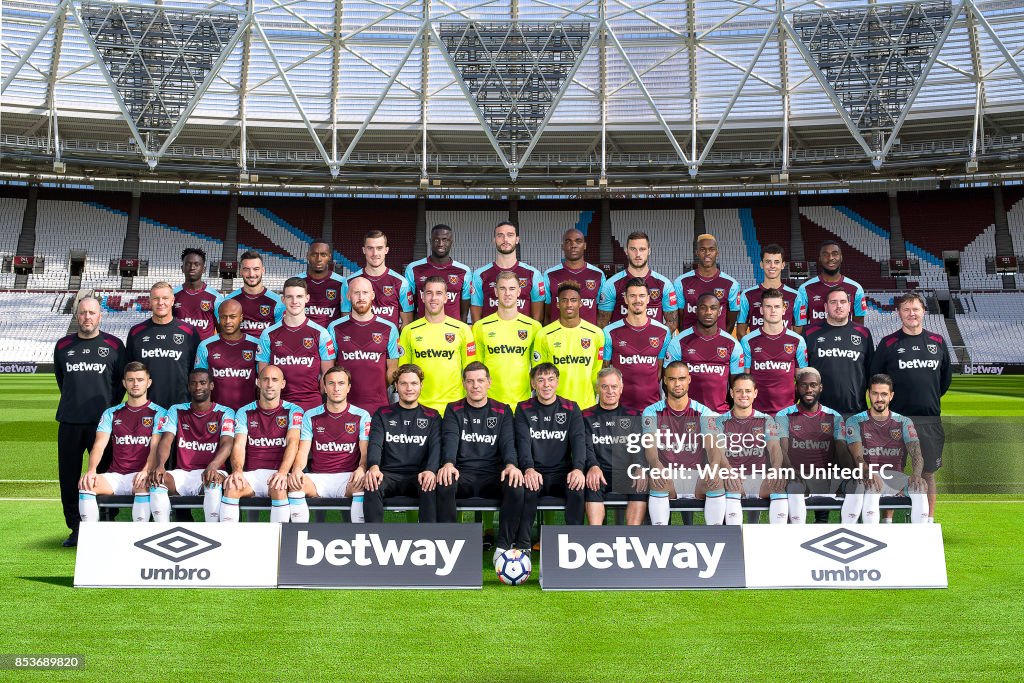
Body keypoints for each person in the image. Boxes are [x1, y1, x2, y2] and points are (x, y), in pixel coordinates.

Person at [869, 292, 952, 522]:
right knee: (892, 472)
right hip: (894, 420)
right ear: (899, 314)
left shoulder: (937, 342)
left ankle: (927, 519)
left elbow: (944, 380)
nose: (911, 314)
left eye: (915, 309)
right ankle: (887, 519)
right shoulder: (888, 343)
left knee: (927, 473)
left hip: (928, 420)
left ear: (923, 311)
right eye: (906, 310)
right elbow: (875, 378)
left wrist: (928, 399)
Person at [53, 294, 126, 546]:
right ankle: (76, 527)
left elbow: (120, 385)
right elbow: (62, 380)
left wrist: (107, 410)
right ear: (77, 315)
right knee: (69, 477)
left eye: (91, 313)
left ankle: (107, 520)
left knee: (105, 474)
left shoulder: (115, 346)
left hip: (103, 425)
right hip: (70, 422)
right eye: (82, 313)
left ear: (100, 316)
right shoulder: (62, 346)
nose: (87, 317)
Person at [437, 362, 526, 560]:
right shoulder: (453, 409)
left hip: (493, 475)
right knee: (444, 481)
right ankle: (449, 546)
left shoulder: (503, 410)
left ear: (489, 383)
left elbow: (508, 443)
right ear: (464, 384)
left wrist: (511, 465)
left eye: (480, 381)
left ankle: (503, 547)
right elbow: (450, 439)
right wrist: (448, 464)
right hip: (463, 474)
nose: (475, 386)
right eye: (470, 381)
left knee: (516, 484)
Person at [77, 362, 164, 524]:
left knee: (143, 484)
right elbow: (99, 445)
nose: (135, 384)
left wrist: (146, 470)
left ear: (148, 382)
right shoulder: (111, 413)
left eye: (140, 379)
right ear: (124, 383)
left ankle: (141, 538)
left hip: (141, 474)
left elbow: (156, 446)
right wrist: (91, 470)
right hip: (116, 476)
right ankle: (91, 540)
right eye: (130, 380)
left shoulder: (159, 412)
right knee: (86, 485)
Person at [643, 362, 726, 526]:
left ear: (689, 379)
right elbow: (650, 447)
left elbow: (712, 447)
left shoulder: (703, 412)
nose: (677, 383)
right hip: (668, 476)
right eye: (672, 379)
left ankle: (715, 537)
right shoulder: (652, 411)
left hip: (696, 477)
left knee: (716, 480)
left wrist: (715, 465)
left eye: (681, 378)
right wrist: (656, 464)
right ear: (665, 381)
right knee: (656, 479)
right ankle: (660, 538)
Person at [840, 374, 929, 525]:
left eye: (884, 394)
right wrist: (868, 472)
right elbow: (857, 456)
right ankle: (871, 540)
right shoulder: (855, 421)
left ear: (891, 396)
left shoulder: (903, 421)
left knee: (919, 488)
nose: (879, 398)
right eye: (875, 393)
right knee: (872, 488)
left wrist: (916, 474)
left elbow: (917, 454)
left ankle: (919, 541)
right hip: (865, 476)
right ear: (869, 394)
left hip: (895, 478)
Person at [148, 369, 235, 523]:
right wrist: (160, 464)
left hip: (213, 471)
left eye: (202, 383)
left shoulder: (225, 412)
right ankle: (162, 533)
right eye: (193, 383)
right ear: (188, 386)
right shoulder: (176, 410)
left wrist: (214, 465)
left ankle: (213, 534)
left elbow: (227, 444)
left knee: (213, 484)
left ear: (211, 385)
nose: (198, 387)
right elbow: (166, 441)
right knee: (157, 481)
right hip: (183, 472)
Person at [287, 365, 372, 523]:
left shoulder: (362, 415)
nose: (336, 388)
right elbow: (303, 451)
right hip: (319, 478)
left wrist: (362, 468)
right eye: (331, 383)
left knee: (362, 482)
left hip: (348, 478)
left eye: (341, 383)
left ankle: (358, 537)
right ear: (324, 387)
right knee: (295, 483)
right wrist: (297, 469)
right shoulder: (311, 415)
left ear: (348, 388)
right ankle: (298, 537)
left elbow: (365, 451)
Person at [220, 365, 304, 524]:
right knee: (232, 486)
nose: (270, 384)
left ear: (283, 384)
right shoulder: (244, 412)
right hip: (253, 474)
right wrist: (237, 471)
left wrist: (282, 472)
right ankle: (228, 543)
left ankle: (279, 544)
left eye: (274, 380)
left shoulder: (294, 410)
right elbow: (238, 445)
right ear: (258, 382)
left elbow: (293, 442)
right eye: (265, 379)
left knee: (279, 487)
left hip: (278, 473)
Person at [515, 364, 588, 540]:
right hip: (535, 472)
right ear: (533, 384)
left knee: (577, 488)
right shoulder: (523, 408)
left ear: (557, 382)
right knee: (526, 490)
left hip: (563, 473)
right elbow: (522, 443)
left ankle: (575, 542)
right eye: (540, 380)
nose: (546, 385)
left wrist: (578, 469)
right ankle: (523, 546)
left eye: (550, 379)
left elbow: (579, 441)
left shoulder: (571, 408)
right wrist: (528, 469)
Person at [363, 364, 441, 523]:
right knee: (372, 483)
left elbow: (436, 448)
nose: (409, 388)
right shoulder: (382, 414)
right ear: (396, 386)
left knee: (430, 483)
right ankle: (374, 540)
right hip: (388, 475)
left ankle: (428, 540)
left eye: (414, 383)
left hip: (418, 475)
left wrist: (431, 470)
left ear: (421, 385)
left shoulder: (432, 416)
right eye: (404, 383)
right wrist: (373, 467)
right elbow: (375, 444)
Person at [712, 375, 787, 524]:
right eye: (739, 391)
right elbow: (717, 451)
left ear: (755, 393)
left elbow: (774, 448)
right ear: (732, 393)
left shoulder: (766, 420)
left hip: (759, 479)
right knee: (731, 486)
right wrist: (728, 470)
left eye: (748, 391)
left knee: (778, 486)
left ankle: (779, 540)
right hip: (732, 478)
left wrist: (777, 468)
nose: (743, 395)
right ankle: (734, 540)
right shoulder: (719, 421)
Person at [776, 367, 847, 524]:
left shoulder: (834, 416)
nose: (809, 389)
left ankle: (823, 523)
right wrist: (791, 470)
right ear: (796, 387)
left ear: (820, 387)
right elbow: (782, 450)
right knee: (794, 485)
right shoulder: (784, 415)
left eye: (813, 385)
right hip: (796, 474)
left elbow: (841, 452)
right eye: (804, 385)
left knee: (852, 485)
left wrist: (836, 474)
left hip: (824, 474)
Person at [399, 276, 476, 414]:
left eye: (439, 293)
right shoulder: (409, 331)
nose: (433, 298)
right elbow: (403, 372)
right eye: (429, 293)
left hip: (454, 407)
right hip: (419, 407)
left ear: (446, 298)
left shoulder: (462, 330)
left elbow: (471, 372)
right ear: (422, 297)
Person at [257, 277, 336, 411]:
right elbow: (263, 375)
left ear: (307, 298)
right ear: (283, 299)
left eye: (299, 296)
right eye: (289, 297)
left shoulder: (321, 334)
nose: (294, 301)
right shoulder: (268, 335)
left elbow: (327, 376)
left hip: (311, 406)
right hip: (278, 406)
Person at [327, 276, 401, 417]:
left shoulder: (389, 328)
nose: (361, 297)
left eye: (365, 293)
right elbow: (330, 367)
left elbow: (392, 368)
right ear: (348, 296)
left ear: (372, 295)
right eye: (356, 293)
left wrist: (376, 390)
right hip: (343, 405)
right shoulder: (335, 328)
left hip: (378, 405)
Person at [582, 367, 647, 525]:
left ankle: (632, 537)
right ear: (598, 388)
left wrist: (640, 467)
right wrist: (593, 466)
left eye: (614, 386)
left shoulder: (633, 415)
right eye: (605, 387)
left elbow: (639, 446)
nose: (610, 391)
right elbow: (585, 447)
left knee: (641, 483)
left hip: (626, 473)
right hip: (598, 472)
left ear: (621, 388)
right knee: (591, 482)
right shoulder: (585, 416)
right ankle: (596, 538)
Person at [126, 281, 201, 412]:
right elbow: (129, 372)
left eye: (165, 298)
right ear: (150, 301)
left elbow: (196, 372)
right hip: (145, 409)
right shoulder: (136, 333)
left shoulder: (189, 332)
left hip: (180, 408)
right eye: (156, 298)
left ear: (172, 301)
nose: (160, 303)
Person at [472, 271, 541, 410]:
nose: (507, 293)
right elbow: (476, 369)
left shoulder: (534, 327)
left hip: (522, 404)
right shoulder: (480, 327)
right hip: (489, 404)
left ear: (519, 292)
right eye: (502, 288)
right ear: (496, 292)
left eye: (512, 288)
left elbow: (538, 369)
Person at [664, 293, 744, 413]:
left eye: (713, 308)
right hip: (687, 414)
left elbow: (736, 385)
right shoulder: (678, 342)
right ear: (696, 311)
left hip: (719, 414)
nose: (708, 312)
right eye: (703, 308)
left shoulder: (732, 344)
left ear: (720, 311)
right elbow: (667, 384)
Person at [601, 277, 671, 411]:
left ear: (648, 299)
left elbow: (660, 370)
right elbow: (605, 369)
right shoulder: (609, 332)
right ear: (626, 299)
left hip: (652, 408)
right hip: (619, 409)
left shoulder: (663, 331)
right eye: (632, 296)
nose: (637, 300)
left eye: (642, 296)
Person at [533, 281, 604, 411]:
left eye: (573, 300)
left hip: (586, 406)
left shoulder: (596, 334)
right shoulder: (544, 334)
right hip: (554, 407)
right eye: (564, 300)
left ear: (581, 303)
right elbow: (538, 372)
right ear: (558, 304)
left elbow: (596, 371)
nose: (569, 304)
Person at [804, 288, 873, 417]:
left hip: (855, 412)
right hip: (819, 412)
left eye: (842, 302)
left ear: (849, 306)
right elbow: (802, 373)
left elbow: (870, 372)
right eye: (833, 302)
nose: (838, 306)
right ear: (826, 306)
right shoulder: (809, 333)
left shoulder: (863, 333)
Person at [739, 288, 808, 415]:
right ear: (761, 310)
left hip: (788, 412)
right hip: (757, 412)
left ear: (783, 309)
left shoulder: (797, 341)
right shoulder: (748, 341)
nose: (773, 310)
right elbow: (745, 379)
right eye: (768, 306)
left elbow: (802, 380)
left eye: (777, 306)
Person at [597, 231, 677, 331]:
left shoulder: (665, 284)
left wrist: (657, 342)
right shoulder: (611, 284)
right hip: (621, 345)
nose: (638, 254)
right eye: (633, 249)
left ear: (649, 251)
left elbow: (672, 322)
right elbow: (602, 323)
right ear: (626, 251)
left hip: (653, 344)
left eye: (642, 249)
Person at [470, 221, 545, 321]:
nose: (505, 239)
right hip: (491, 334)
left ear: (517, 239)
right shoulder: (480, 275)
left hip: (522, 334)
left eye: (510, 235)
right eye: (500, 235)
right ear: (494, 240)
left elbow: (537, 318)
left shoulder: (533, 274)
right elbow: (476, 315)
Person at [194, 298, 260, 410]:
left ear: (241, 318)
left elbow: (262, 381)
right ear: (218, 318)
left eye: (232, 317)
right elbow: (200, 383)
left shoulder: (256, 345)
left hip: (248, 413)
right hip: (217, 414)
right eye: (223, 317)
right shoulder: (205, 346)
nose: (228, 321)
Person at [341, 230, 415, 328]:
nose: (375, 253)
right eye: (370, 248)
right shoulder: (349, 282)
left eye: (379, 248)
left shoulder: (401, 283)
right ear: (364, 250)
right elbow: (346, 319)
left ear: (386, 250)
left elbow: (407, 322)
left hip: (389, 342)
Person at [405, 224, 472, 321]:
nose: (440, 244)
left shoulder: (464, 271)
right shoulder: (413, 268)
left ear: (451, 242)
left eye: (445, 240)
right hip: (423, 330)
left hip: (452, 332)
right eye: (436, 240)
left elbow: (464, 313)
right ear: (430, 241)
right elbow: (410, 307)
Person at [675, 233, 741, 333]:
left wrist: (719, 341)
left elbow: (731, 322)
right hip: (689, 344)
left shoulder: (731, 284)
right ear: (697, 252)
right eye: (702, 250)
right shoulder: (681, 282)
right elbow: (680, 318)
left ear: (717, 252)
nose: (707, 253)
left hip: (718, 345)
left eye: (711, 249)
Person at [794, 240, 867, 330]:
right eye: (825, 254)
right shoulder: (805, 289)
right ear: (820, 258)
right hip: (816, 343)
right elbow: (800, 326)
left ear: (841, 257)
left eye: (835, 253)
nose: (830, 258)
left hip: (845, 343)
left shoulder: (856, 288)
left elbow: (859, 325)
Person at [542, 228, 605, 324]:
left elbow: (601, 312)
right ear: (562, 246)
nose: (573, 245)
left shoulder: (598, 275)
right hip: (558, 336)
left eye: (578, 241)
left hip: (588, 337)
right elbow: (547, 314)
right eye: (568, 242)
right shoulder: (550, 275)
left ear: (584, 246)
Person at [736, 244, 799, 337]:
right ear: (761, 264)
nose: (772, 266)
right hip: (757, 350)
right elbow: (741, 331)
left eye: (776, 262)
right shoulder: (747, 295)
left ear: (783, 265)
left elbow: (798, 331)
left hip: (785, 350)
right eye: (768, 262)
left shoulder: (795, 296)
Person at [225, 250, 285, 335]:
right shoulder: (229, 301)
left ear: (263, 270)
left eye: (256, 269)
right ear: (240, 271)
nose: (251, 274)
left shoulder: (278, 302)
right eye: (246, 269)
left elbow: (280, 334)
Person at [172, 247, 223, 340]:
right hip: (179, 351)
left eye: (196, 264)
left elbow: (222, 330)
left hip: (204, 352)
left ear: (204, 269)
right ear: (182, 268)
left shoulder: (216, 297)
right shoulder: (172, 295)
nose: (192, 267)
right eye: (188, 264)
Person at [296, 240, 346, 328]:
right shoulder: (297, 282)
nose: (319, 259)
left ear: (329, 257)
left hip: (331, 337)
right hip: (303, 336)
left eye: (323, 255)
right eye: (314, 254)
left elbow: (345, 315)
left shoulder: (342, 282)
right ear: (307, 256)